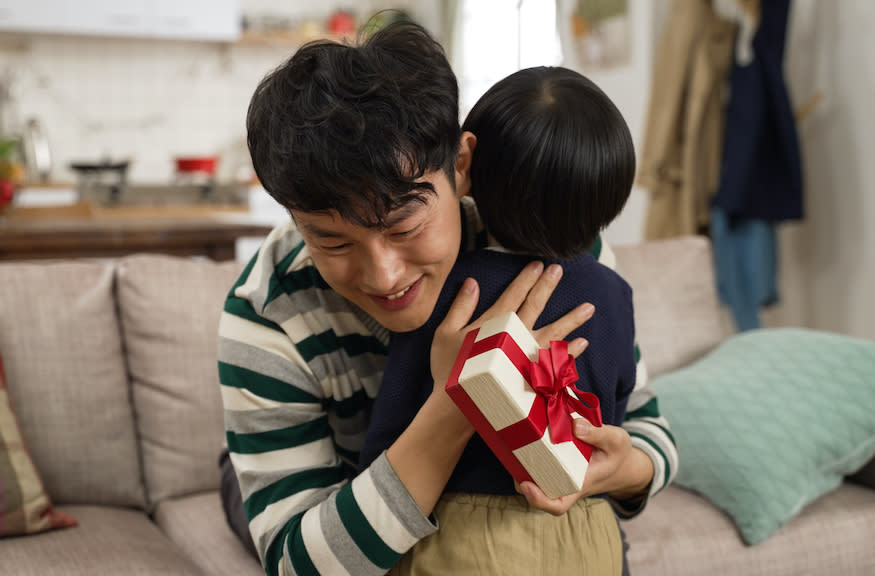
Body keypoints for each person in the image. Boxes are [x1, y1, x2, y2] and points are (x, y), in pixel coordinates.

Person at [218, 19, 677, 576]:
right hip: (343, 486)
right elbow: (298, 564)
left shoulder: (544, 236)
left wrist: (625, 470)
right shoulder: (269, 312)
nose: (383, 275)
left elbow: (649, 428)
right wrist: (461, 398)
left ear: (461, 165)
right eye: (332, 240)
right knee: (241, 490)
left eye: (404, 225)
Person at [358, 65, 638, 574]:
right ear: (612, 197)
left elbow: (392, 428)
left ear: (467, 167)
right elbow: (615, 410)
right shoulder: (614, 294)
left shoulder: (448, 290)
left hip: (465, 540)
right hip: (586, 528)